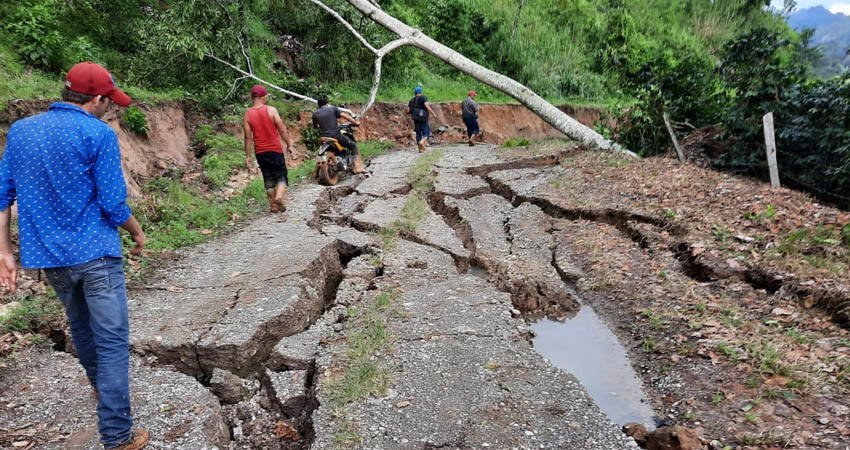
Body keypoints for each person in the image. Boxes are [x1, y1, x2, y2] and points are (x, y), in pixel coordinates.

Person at [0, 62, 149, 449]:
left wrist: (5, 250)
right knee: (112, 340)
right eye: (108, 101)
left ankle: (103, 395)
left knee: (81, 327)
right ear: (96, 99)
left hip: (51, 259)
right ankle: (117, 434)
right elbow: (114, 203)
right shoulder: (97, 132)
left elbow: (3, 197)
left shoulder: (21, 132)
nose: (109, 108)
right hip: (97, 254)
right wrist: (137, 232)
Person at [243, 85, 294, 213]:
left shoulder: (247, 114)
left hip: (260, 152)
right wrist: (289, 145)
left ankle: (273, 206)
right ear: (264, 97)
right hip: (275, 150)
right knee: (282, 176)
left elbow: (247, 137)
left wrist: (248, 156)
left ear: (252, 97)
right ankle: (279, 197)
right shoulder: (271, 110)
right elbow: (282, 129)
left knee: (268, 177)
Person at [311, 96, 367, 174]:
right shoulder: (332, 109)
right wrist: (355, 122)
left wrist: (322, 126)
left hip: (323, 137)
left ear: (319, 105)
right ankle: (357, 167)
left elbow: (315, 126)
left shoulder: (315, 114)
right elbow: (345, 116)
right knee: (353, 146)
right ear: (327, 104)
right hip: (335, 135)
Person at [407, 86, 436, 152]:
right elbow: (426, 105)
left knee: (418, 133)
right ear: (421, 92)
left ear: (415, 93)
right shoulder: (423, 98)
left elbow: (408, 110)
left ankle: (420, 149)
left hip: (415, 119)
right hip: (423, 119)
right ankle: (422, 142)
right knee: (426, 132)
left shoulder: (411, 100)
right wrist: (433, 113)